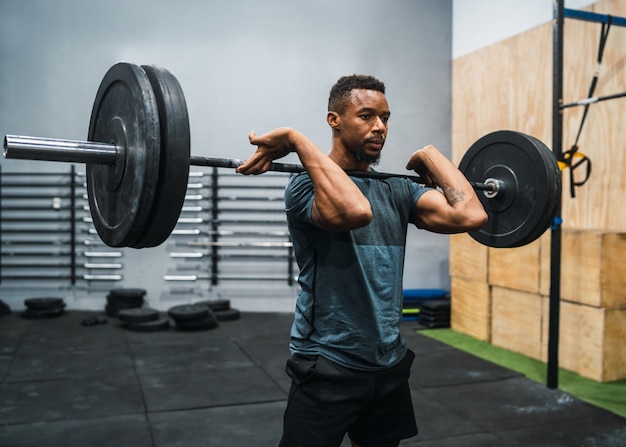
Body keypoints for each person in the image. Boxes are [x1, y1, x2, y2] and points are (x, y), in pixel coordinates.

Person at [236, 75, 487, 447]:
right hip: (327, 361)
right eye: (367, 116)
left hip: (388, 362)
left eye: (385, 118)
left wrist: (430, 155)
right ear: (333, 120)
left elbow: (471, 216)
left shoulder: (397, 189)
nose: (379, 127)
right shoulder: (305, 187)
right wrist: (295, 139)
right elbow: (356, 211)